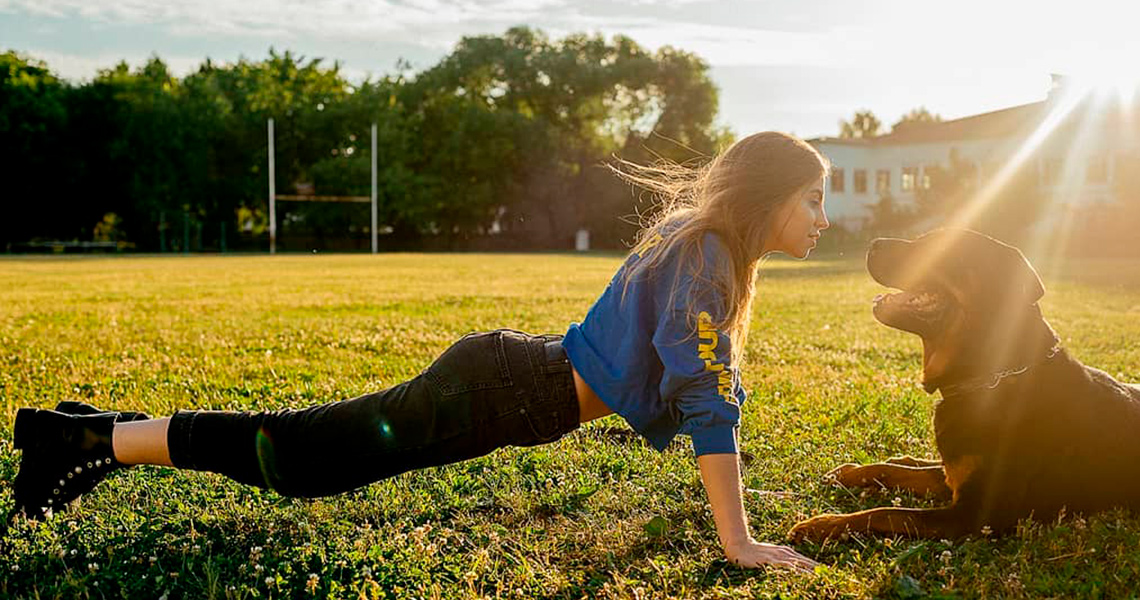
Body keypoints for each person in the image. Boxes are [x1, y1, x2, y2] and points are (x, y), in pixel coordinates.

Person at [7, 131, 830, 570]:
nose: (823, 219)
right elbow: (703, 391)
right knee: (296, 459)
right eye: (813, 200)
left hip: (505, 384)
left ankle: (92, 431)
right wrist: (737, 542)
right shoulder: (706, 252)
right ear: (769, 197)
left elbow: (695, 384)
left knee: (305, 456)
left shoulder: (707, 248)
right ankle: (87, 441)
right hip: (498, 391)